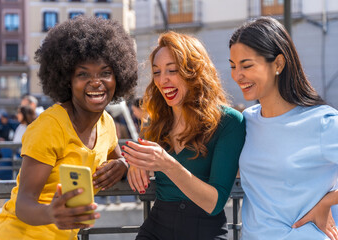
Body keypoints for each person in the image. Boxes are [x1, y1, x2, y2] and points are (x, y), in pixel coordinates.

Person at [0, 16, 137, 240]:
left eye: (105, 72)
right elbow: (24, 204)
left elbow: (116, 160)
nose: (96, 82)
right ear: (67, 80)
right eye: (83, 74)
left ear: (119, 76)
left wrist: (123, 163)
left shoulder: (107, 125)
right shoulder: (49, 126)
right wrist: (52, 213)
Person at [123, 31, 246, 240]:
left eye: (172, 70)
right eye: (157, 72)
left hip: (205, 231)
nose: (163, 80)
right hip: (156, 228)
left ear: (194, 71)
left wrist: (167, 164)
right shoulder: (154, 122)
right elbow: (142, 158)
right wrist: (135, 163)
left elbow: (214, 203)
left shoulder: (229, 122)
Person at [229, 16, 338, 240]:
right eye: (233, 66)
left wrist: (327, 202)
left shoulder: (322, 122)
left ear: (278, 63)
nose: (237, 75)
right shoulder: (246, 121)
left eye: (247, 65)